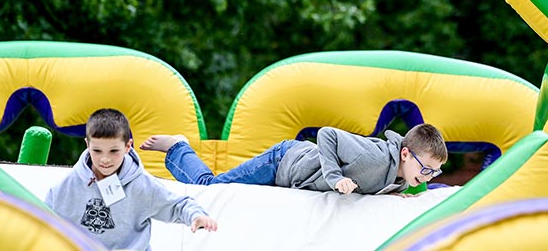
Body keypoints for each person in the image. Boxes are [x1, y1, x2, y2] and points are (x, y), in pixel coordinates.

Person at [45, 108, 217, 251]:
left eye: (113, 151)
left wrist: (196, 216)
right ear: (87, 145)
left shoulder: (142, 185)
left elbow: (178, 205)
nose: (105, 159)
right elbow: (43, 222)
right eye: (97, 151)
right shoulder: (66, 187)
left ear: (128, 147)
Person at [140, 123, 448, 196]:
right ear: (405, 154)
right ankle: (177, 148)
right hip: (284, 160)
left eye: (434, 173)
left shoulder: (400, 178)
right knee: (212, 190)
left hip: (291, 174)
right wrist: (334, 177)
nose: (427, 177)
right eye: (425, 169)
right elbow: (327, 134)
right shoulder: (374, 157)